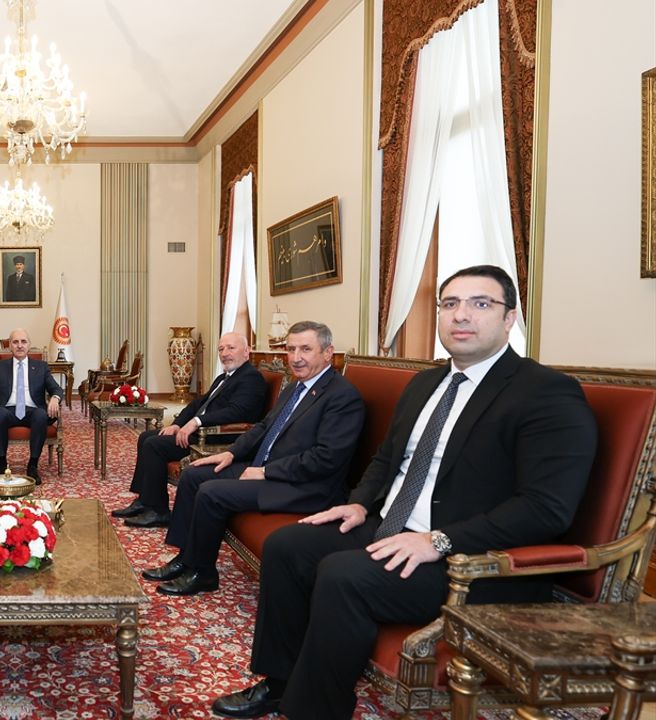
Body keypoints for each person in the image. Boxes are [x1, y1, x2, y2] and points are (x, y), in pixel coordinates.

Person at [212, 265, 598, 720]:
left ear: (509, 318)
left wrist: (439, 541)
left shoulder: (546, 393)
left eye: (480, 304)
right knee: (288, 545)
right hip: (390, 526)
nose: (461, 315)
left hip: (472, 560)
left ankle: (315, 709)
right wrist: (358, 504)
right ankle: (280, 682)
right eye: (450, 304)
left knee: (342, 575)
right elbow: (386, 458)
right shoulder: (426, 383)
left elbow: (545, 509)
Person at [142, 321, 365, 600]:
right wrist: (231, 453)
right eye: (291, 349)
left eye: (306, 349)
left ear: (327, 352)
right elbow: (264, 427)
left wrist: (266, 472)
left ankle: (202, 573)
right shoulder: (295, 388)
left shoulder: (342, 397)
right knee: (194, 475)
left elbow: (325, 459)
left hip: (304, 485)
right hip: (268, 469)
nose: (296, 357)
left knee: (211, 493)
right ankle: (186, 558)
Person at [112, 331, 268, 527]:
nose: (224, 353)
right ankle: (145, 500)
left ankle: (158, 511)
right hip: (201, 431)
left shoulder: (251, 378)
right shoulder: (224, 378)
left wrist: (196, 422)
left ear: (246, 351)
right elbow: (197, 404)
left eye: (231, 348)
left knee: (154, 445)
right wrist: (177, 424)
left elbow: (237, 412)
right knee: (145, 437)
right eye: (221, 349)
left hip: (217, 437)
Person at [0, 328, 64, 482]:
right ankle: (2, 464)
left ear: (29, 345)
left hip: (33, 411)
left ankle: (33, 465)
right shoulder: (0, 366)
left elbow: (56, 388)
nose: (20, 345)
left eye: (23, 342)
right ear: (10, 346)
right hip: (8, 410)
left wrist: (55, 398)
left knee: (41, 414)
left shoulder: (41, 366)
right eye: (15, 342)